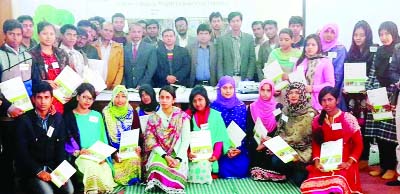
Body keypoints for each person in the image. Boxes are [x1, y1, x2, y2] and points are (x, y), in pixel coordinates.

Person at [301, 86, 363, 194]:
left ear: (337, 100)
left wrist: (348, 163)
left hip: (343, 162)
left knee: (336, 188)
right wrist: (316, 161)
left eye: (330, 99)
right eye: (323, 100)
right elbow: (316, 143)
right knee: (310, 189)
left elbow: (359, 145)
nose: (326, 103)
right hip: (324, 162)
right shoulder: (317, 120)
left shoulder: (348, 119)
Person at [15, 81, 74, 194]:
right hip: (32, 170)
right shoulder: (24, 120)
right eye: (39, 97)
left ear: (52, 99)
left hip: (53, 167)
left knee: (69, 190)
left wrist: (63, 173)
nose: (43, 101)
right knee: (47, 193)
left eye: (46, 97)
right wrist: (38, 172)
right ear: (33, 99)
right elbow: (22, 152)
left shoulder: (57, 118)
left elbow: (60, 148)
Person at [64, 83, 117, 193]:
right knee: (92, 170)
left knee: (106, 175)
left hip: (98, 157)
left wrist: (104, 157)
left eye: (90, 98)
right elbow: (65, 141)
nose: (87, 101)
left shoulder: (97, 115)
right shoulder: (69, 117)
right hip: (81, 157)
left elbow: (103, 139)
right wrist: (77, 152)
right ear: (78, 97)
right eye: (84, 97)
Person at [365, 21, 399, 180]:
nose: (384, 37)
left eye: (387, 33)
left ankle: (391, 166)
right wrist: (368, 95)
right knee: (378, 132)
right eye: (381, 34)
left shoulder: (398, 51)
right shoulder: (378, 52)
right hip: (377, 95)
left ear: (394, 33)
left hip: (392, 94)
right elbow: (372, 74)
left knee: (390, 134)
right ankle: (383, 165)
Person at [144, 85, 190, 193]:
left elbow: (186, 140)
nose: (164, 100)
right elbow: (151, 142)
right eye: (162, 97)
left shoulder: (182, 117)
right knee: (155, 167)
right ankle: (162, 182)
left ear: (173, 100)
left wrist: (178, 159)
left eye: (167, 97)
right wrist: (165, 156)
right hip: (160, 154)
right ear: (158, 99)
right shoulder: (153, 118)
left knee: (177, 171)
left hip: (178, 154)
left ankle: (164, 183)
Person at [345, 20, 377, 170]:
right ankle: (354, 156)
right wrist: (346, 87)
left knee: (367, 127)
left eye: (362, 35)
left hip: (367, 95)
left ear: (368, 36)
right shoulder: (351, 52)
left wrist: (368, 89)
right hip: (353, 97)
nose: (358, 38)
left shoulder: (374, 51)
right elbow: (347, 73)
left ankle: (365, 157)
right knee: (354, 126)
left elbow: (375, 73)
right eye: (355, 35)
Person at [270, 82, 316, 186]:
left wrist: (275, 143)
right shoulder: (286, 110)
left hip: (304, 151)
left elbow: (298, 137)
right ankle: (291, 169)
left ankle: (299, 168)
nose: (293, 95)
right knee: (275, 160)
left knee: (299, 181)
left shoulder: (310, 113)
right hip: (289, 149)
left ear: (303, 94)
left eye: (297, 92)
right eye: (290, 93)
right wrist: (275, 144)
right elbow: (280, 129)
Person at [186, 85, 231, 183]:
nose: (198, 103)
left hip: (211, 156)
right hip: (194, 156)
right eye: (194, 101)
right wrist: (188, 153)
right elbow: (184, 138)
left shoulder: (216, 116)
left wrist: (215, 155)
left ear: (206, 99)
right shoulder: (188, 116)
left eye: (200, 99)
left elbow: (220, 138)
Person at [210, 76, 250, 178]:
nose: (228, 91)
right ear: (220, 89)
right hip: (220, 148)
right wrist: (225, 149)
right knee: (222, 168)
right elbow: (213, 131)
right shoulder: (214, 106)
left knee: (242, 168)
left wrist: (240, 149)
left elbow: (244, 130)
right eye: (225, 88)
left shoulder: (240, 106)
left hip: (237, 147)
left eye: (231, 88)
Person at [103, 85, 142, 185]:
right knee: (113, 170)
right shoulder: (106, 113)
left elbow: (137, 134)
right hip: (112, 151)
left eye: (123, 96)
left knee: (135, 160)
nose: (120, 100)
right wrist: (114, 153)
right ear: (112, 97)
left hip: (129, 149)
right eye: (117, 96)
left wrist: (137, 147)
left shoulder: (132, 112)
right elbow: (105, 136)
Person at [30, 21, 70, 114]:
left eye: (51, 34)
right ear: (38, 35)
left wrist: (70, 92)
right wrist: (44, 83)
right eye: (45, 33)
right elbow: (28, 80)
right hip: (42, 98)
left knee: (58, 124)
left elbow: (68, 75)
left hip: (60, 97)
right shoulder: (31, 55)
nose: (48, 37)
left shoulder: (62, 53)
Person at [247, 80, 283, 181]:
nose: (265, 93)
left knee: (273, 157)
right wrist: (260, 141)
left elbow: (281, 130)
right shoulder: (252, 107)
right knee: (255, 150)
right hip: (257, 142)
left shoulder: (278, 107)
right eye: (262, 90)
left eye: (268, 90)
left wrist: (269, 141)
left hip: (272, 143)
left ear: (272, 92)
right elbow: (249, 130)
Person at [295, 34, 335, 111]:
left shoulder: (325, 62)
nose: (310, 47)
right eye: (307, 45)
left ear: (318, 46)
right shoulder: (300, 61)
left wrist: (312, 88)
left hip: (318, 102)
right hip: (300, 102)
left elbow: (330, 84)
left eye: (313, 45)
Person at [217, 12, 256, 81]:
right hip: (228, 78)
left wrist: (249, 77)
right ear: (229, 23)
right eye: (233, 21)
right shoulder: (222, 39)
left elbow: (252, 59)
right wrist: (221, 79)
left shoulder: (249, 38)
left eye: (237, 21)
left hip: (244, 78)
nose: (235, 23)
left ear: (241, 22)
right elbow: (220, 61)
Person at [319, 23, 347, 110]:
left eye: (332, 32)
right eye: (326, 31)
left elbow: (339, 73)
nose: (329, 34)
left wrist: (331, 91)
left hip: (334, 89)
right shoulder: (317, 47)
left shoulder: (340, 49)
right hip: (317, 89)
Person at [0, 19, 33, 94]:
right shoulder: (1, 56)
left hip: (29, 99)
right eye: (11, 34)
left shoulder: (28, 55)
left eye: (18, 34)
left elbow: (34, 78)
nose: (15, 38)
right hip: (7, 102)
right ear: (4, 34)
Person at [123, 23, 157, 89]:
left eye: (139, 32)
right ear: (130, 33)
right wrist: (123, 84)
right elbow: (122, 68)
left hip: (145, 86)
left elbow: (151, 69)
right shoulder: (124, 48)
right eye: (134, 32)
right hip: (127, 86)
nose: (136, 34)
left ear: (142, 33)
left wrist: (142, 84)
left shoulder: (150, 48)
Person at [93, 22, 124, 89]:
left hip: (112, 85)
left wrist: (116, 85)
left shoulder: (118, 47)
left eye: (111, 31)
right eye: (106, 30)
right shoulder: (92, 46)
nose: (108, 33)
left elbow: (120, 67)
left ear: (113, 33)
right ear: (100, 31)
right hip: (94, 85)